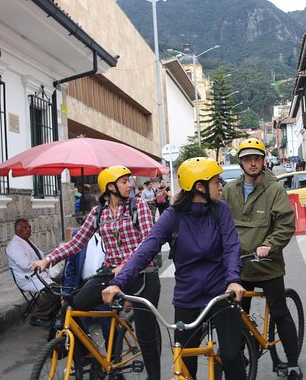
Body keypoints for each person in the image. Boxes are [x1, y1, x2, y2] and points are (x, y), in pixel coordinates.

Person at [102, 158, 246, 380]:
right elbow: (146, 249)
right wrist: (117, 283)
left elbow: (231, 247)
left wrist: (234, 279)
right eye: (216, 181)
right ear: (200, 187)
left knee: (231, 355)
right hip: (188, 296)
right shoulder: (172, 216)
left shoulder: (221, 211)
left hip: (221, 292)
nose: (221, 186)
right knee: (185, 363)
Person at [31, 166, 162, 379]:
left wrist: (127, 264)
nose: (130, 185)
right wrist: (48, 259)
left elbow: (149, 242)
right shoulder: (98, 212)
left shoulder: (138, 206)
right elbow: (76, 243)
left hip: (142, 273)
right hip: (111, 273)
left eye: (129, 181)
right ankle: (90, 358)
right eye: (124, 182)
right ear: (110, 187)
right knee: (71, 308)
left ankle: (154, 377)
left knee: (146, 335)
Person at [223, 138, 303, 380]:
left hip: (267, 264)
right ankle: (241, 354)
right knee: (235, 315)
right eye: (248, 159)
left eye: (257, 158)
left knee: (279, 312)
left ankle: (292, 362)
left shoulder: (274, 188)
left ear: (263, 160)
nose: (253, 163)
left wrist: (270, 245)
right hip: (239, 266)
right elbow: (219, 222)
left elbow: (286, 223)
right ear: (241, 162)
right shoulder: (229, 190)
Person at [6, 219, 61, 327]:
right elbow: (26, 265)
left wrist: (49, 260)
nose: (28, 230)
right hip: (28, 278)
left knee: (64, 282)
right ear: (17, 230)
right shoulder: (14, 246)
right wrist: (43, 264)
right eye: (25, 228)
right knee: (54, 291)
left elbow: (39, 257)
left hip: (39, 274)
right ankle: (39, 316)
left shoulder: (26, 241)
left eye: (29, 227)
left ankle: (55, 313)